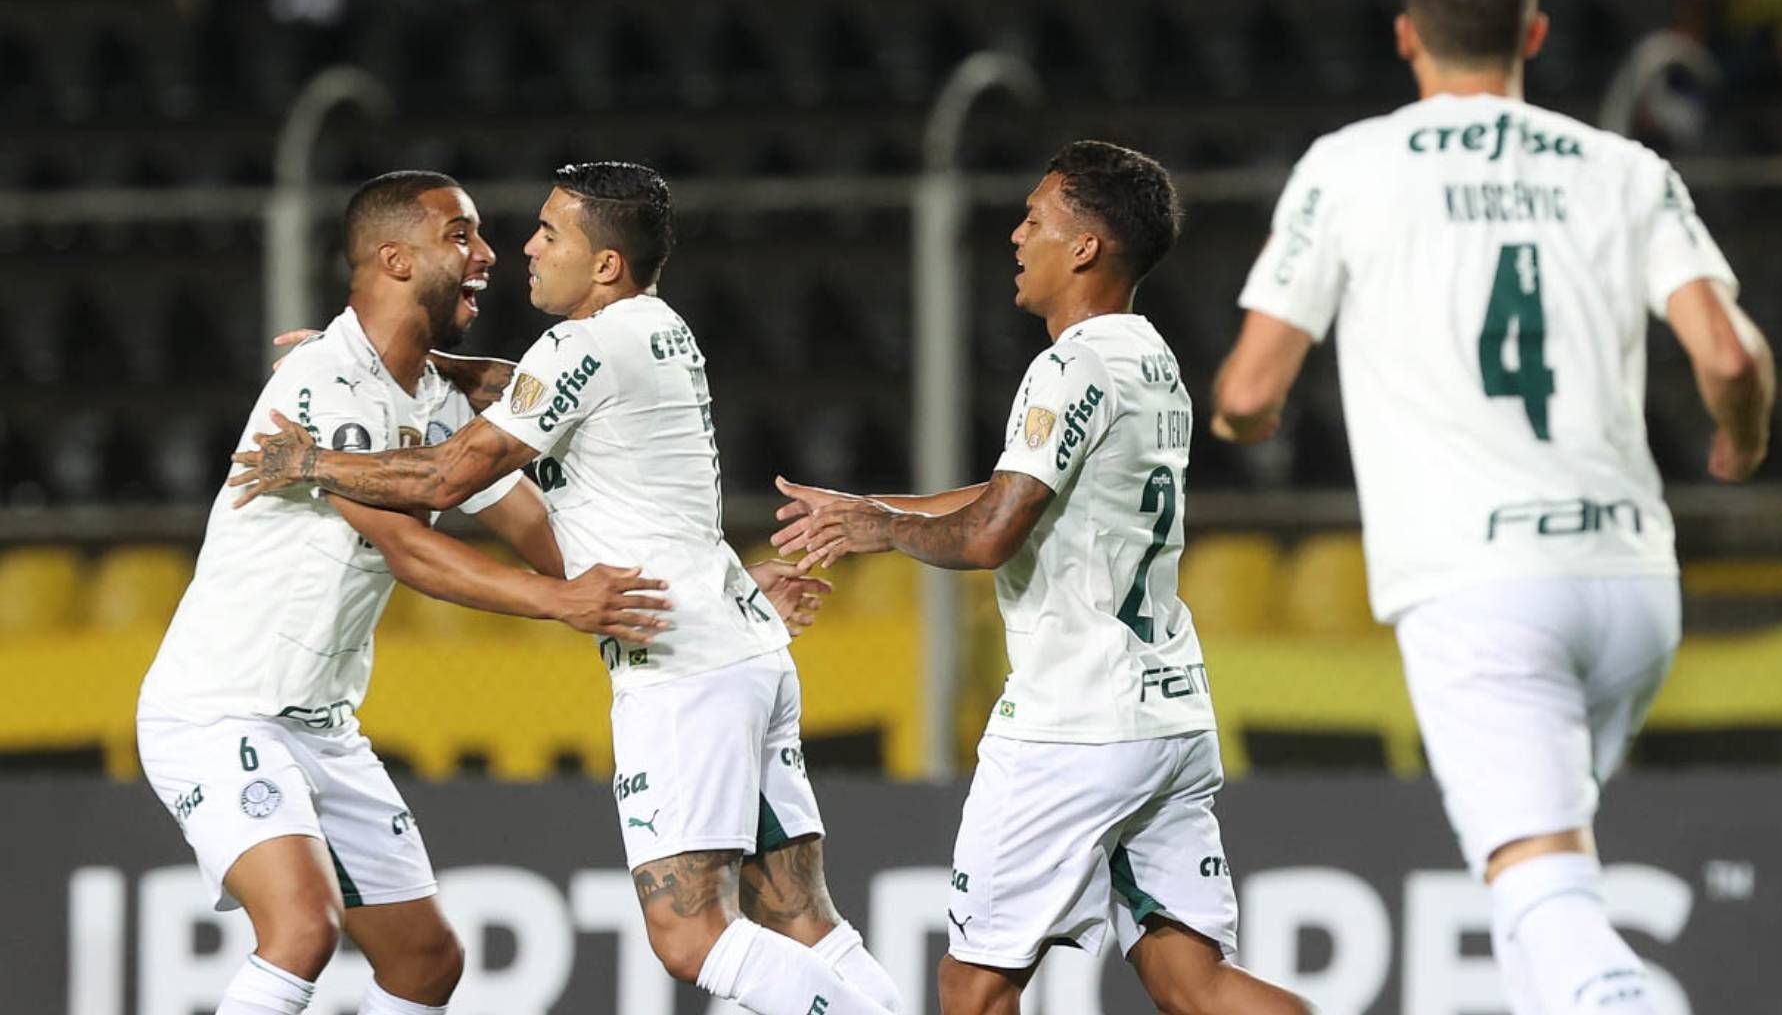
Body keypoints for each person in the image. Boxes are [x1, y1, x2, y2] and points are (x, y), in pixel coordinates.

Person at [1210, 0, 1777, 1012]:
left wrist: (1255, 416)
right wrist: (1740, 442)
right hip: (1632, 589)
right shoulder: (1624, 169)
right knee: (1539, 881)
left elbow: (1246, 388)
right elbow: (1732, 355)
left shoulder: (1351, 166)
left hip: (1481, 589)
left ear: (1406, 36)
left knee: (1547, 899)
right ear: (1532, 36)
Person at [228, 161, 901, 1015]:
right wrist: (399, 355)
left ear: (606, 264)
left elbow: (446, 475)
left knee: (692, 939)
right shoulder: (658, 330)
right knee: (803, 917)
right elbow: (519, 389)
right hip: (740, 648)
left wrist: (311, 460)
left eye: (551, 234)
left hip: (679, 670)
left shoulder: (581, 345)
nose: (527, 248)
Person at [772, 141, 1312, 1015]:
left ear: (1086, 246)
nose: (1017, 234)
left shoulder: (1072, 365)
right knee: (1193, 982)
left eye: (1035, 217)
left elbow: (990, 534)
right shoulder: (1149, 359)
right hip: (1165, 712)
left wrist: (880, 526)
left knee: (974, 987)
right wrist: (870, 508)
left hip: (1076, 722)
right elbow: (1011, 492)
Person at [137, 170, 676, 1015]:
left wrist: (702, 589)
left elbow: (543, 535)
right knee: (301, 931)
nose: (489, 253)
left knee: (425, 962)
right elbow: (409, 551)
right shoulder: (324, 384)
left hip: (319, 725)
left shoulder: (428, 396)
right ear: (393, 259)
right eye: (459, 235)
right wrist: (562, 606)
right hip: (221, 709)